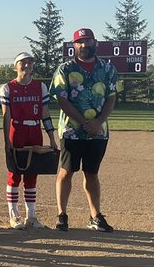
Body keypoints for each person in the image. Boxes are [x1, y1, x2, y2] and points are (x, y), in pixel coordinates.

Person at [51, 28, 118, 232]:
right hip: (72, 131)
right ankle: (62, 215)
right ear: (74, 46)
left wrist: (97, 122)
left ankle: (95, 215)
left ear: (94, 43)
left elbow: (111, 97)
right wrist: (82, 121)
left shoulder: (107, 69)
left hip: (98, 132)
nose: (84, 45)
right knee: (66, 172)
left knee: (92, 173)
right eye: (80, 42)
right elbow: (61, 99)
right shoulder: (65, 69)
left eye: (88, 41)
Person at [0, 52, 58, 229]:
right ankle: (14, 215)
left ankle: (31, 216)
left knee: (32, 173)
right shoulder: (8, 88)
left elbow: (45, 113)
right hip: (17, 130)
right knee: (14, 174)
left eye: (30, 62)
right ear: (15, 66)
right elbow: (6, 116)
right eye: (22, 63)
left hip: (35, 131)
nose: (27, 66)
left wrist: (51, 137)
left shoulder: (40, 87)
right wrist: (7, 141)